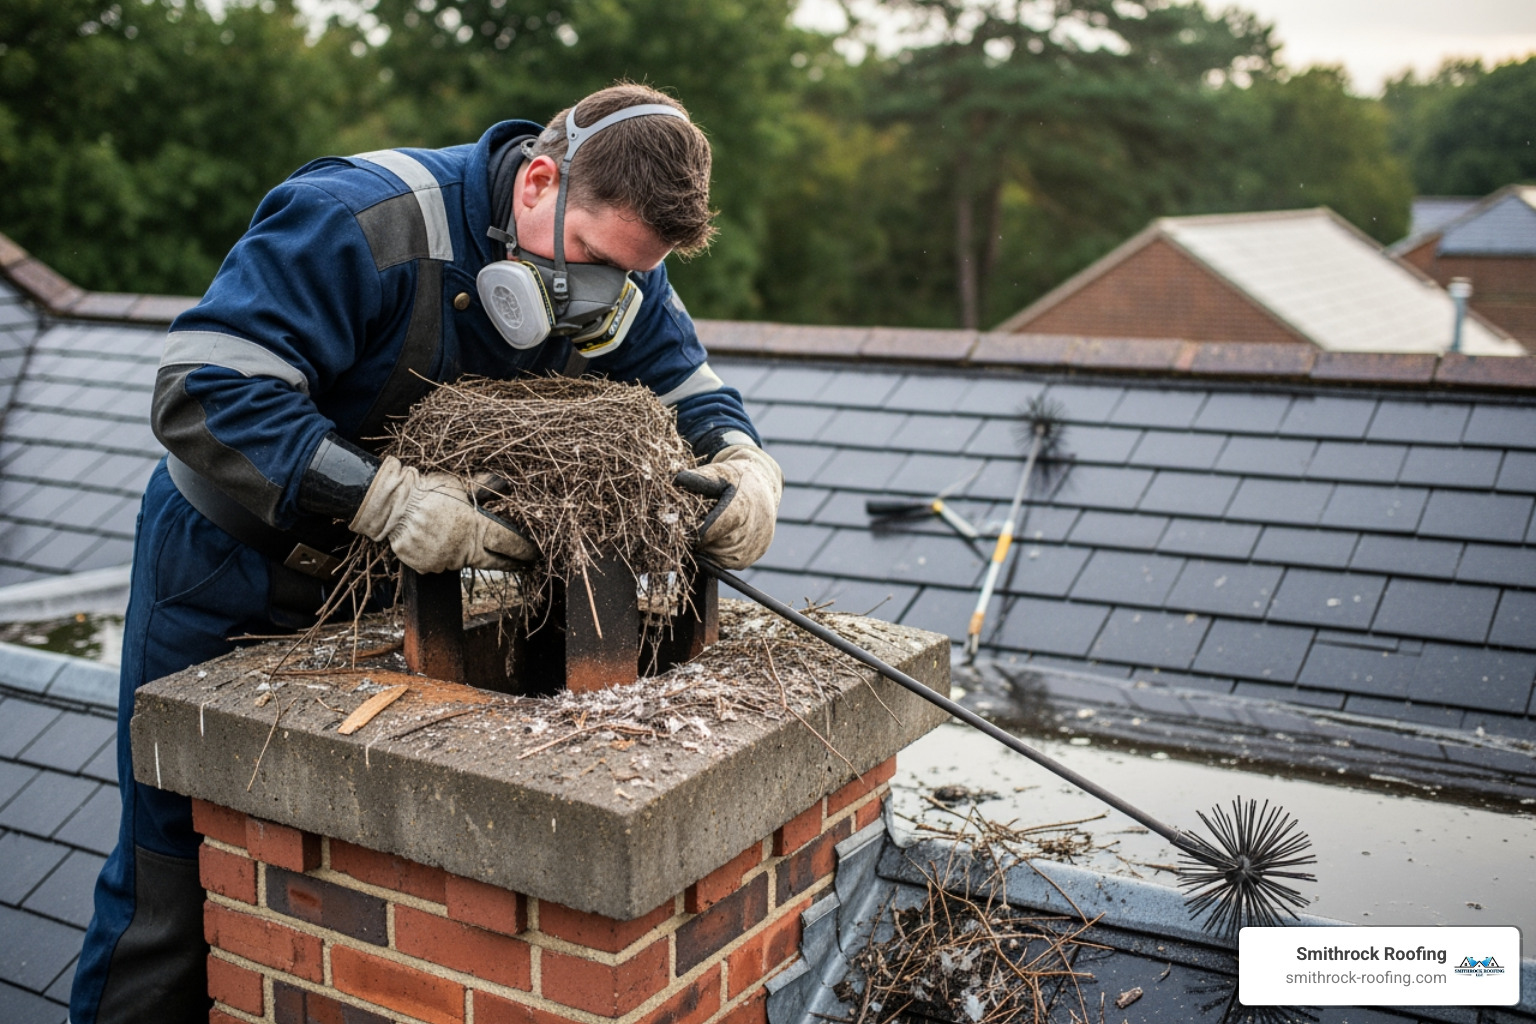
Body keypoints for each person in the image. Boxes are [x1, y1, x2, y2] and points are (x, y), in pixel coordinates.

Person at [71, 82, 782, 1024]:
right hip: (226, 572)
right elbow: (204, 390)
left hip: (376, 593)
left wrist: (747, 463)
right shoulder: (357, 217)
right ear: (539, 181)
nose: (599, 299)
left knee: (330, 879)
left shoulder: (617, 258)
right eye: (587, 261)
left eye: (628, 276)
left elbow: (691, 389)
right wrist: (382, 498)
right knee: (173, 879)